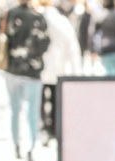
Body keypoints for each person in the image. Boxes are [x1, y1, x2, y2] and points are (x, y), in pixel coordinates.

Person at [0, 0, 51, 161]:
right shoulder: (38, 18)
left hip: (12, 68)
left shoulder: (9, 14)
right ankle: (30, 148)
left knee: (13, 107)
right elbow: (45, 43)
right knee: (31, 110)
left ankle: (15, 145)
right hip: (32, 70)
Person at [38, 0, 82, 146]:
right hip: (58, 68)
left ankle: (44, 128)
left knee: (41, 99)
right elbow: (73, 47)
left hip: (39, 68)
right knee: (56, 99)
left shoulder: (37, 18)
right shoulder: (62, 21)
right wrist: (76, 71)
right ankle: (54, 129)